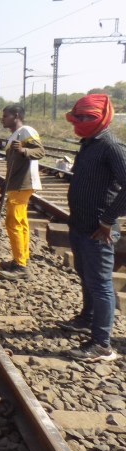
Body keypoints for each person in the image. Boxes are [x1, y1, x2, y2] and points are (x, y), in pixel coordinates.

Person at [58, 94, 125, 362]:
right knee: (86, 276)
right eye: (80, 116)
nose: (83, 121)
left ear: (102, 117)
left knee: (101, 284)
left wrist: (108, 220)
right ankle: (87, 318)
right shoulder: (88, 143)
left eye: (90, 117)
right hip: (80, 225)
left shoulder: (111, 146)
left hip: (99, 229)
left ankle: (101, 345)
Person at [0, 105, 46, 280]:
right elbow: (12, 167)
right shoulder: (14, 136)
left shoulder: (26, 131)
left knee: (13, 223)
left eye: (6, 116)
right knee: (20, 222)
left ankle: (21, 266)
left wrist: (24, 150)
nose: (3, 119)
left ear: (16, 116)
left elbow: (40, 151)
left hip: (23, 183)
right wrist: (4, 189)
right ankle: (21, 260)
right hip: (16, 184)